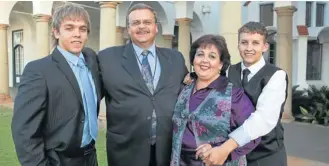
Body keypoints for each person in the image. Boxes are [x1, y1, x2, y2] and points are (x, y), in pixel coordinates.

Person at [97, 3, 188, 166]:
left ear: (156, 27)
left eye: (147, 22)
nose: (141, 27)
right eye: (135, 23)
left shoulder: (176, 59)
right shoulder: (107, 59)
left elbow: (189, 92)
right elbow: (91, 97)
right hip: (126, 150)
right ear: (128, 28)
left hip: (166, 150)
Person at [186, 21, 288, 166]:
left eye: (255, 43)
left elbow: (263, 120)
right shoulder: (228, 71)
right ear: (238, 44)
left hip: (265, 154)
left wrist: (225, 148)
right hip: (235, 155)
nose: (249, 48)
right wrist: (192, 76)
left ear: (265, 46)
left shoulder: (276, 76)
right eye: (244, 42)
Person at [11, 3, 101, 166]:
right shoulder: (38, 71)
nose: (77, 34)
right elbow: (24, 132)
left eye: (82, 29)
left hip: (90, 157)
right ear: (56, 32)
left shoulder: (91, 61)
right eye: (69, 28)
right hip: (58, 160)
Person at [170, 34, 260, 166]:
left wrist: (222, 150)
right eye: (200, 54)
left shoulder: (234, 96)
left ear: (221, 64)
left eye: (212, 56)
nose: (204, 60)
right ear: (193, 59)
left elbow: (253, 133)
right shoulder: (184, 88)